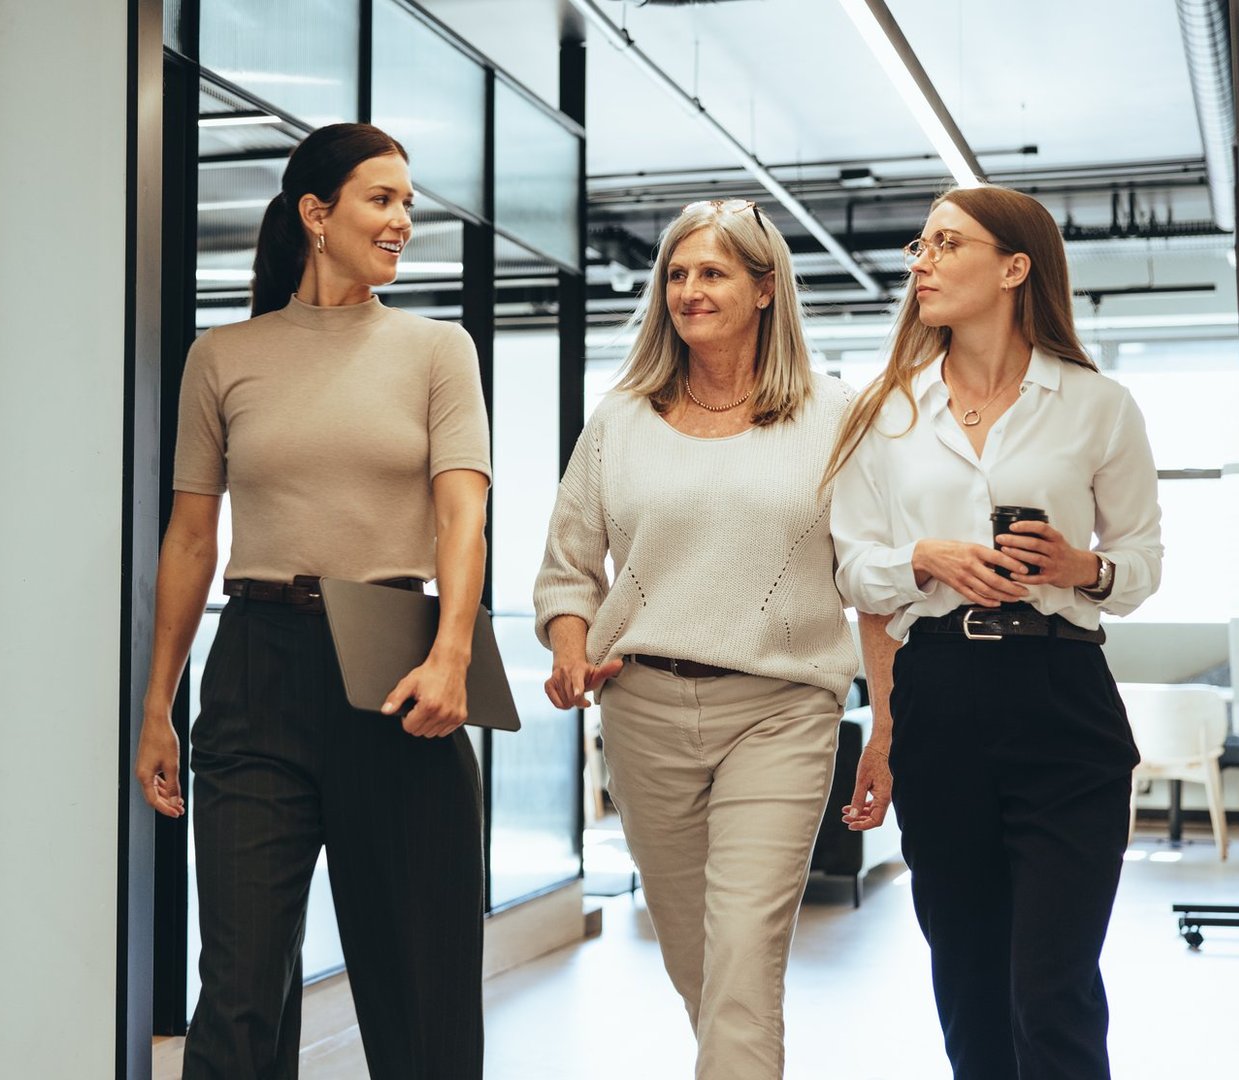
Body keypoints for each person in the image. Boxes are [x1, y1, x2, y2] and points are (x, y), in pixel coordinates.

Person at [133, 122, 489, 1080]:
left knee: (418, 991)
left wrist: (453, 652)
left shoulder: (436, 351)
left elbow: (463, 519)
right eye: (383, 200)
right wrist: (157, 704)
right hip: (256, 668)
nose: (404, 220)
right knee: (241, 988)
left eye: (409, 202)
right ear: (315, 215)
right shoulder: (223, 356)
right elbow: (191, 539)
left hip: (393, 665)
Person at [827, 184, 1163, 1079]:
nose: (920, 262)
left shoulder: (1097, 404)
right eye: (918, 247)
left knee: (1051, 984)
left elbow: (1140, 562)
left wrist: (1077, 567)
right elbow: (852, 571)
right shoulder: (884, 413)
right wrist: (924, 558)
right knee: (968, 978)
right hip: (938, 692)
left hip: (1063, 697)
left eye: (945, 244)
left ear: (1014, 268)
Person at [534, 199, 856, 1078]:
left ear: (764, 288)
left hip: (782, 711)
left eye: (710, 273)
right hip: (642, 713)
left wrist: (890, 727)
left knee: (744, 953)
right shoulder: (620, 420)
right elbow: (568, 569)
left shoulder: (833, 416)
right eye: (675, 275)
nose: (687, 290)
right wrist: (569, 646)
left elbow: (873, 580)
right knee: (695, 960)